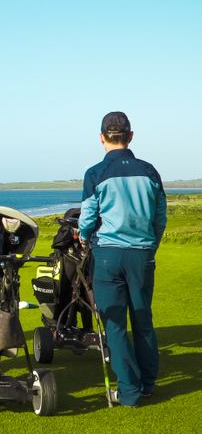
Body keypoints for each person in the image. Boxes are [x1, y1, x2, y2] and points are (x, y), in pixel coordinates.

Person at [79, 111, 167, 408]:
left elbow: (88, 217)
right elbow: (160, 217)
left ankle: (129, 391)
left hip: (108, 254)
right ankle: (149, 383)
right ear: (130, 136)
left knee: (115, 323)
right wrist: (150, 245)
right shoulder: (150, 171)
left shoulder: (95, 173)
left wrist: (82, 236)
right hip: (142, 254)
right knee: (143, 319)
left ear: (102, 137)